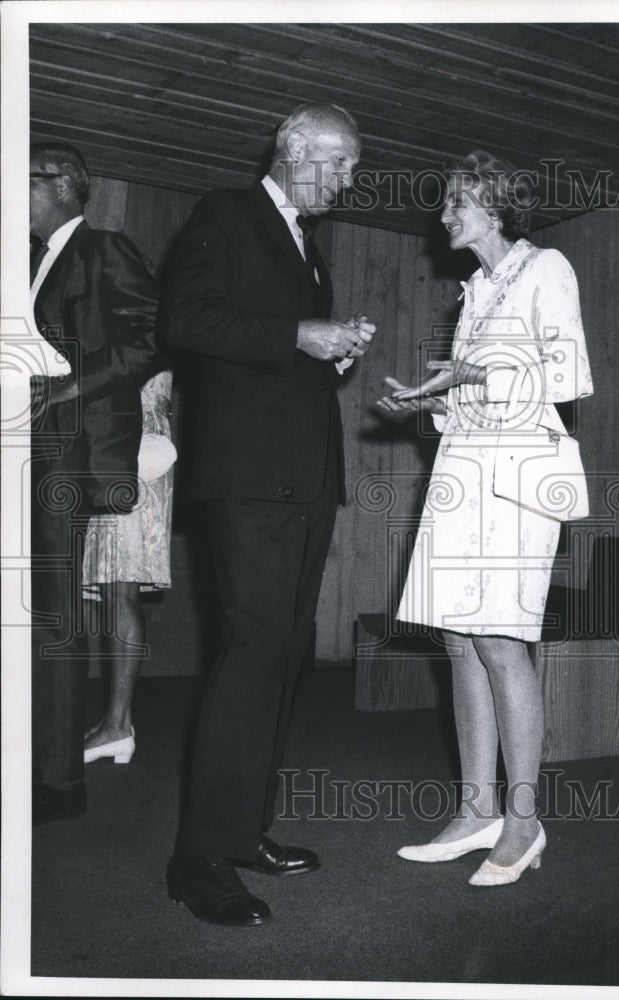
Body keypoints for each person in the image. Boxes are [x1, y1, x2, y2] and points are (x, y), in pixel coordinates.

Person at [162, 103, 375, 927]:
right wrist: (299, 334)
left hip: (304, 482)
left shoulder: (307, 248)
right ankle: (198, 860)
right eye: (343, 163)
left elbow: (279, 351)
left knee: (285, 658)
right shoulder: (227, 213)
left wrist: (327, 348)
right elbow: (183, 320)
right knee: (252, 653)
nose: (351, 180)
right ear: (294, 151)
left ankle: (243, 830)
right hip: (248, 480)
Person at [378, 150, 593, 886]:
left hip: (521, 480)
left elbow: (565, 379)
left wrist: (475, 372)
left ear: (496, 205)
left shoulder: (546, 269)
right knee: (456, 636)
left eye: (457, 204)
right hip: (464, 474)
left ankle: (526, 823)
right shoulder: (474, 291)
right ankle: (478, 810)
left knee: (501, 641)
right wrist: (434, 402)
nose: (445, 217)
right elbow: (485, 396)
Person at [29, 141, 162, 824]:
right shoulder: (27, 263)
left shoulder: (103, 249)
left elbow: (149, 339)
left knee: (51, 612)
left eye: (22, 183)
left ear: (61, 186)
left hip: (64, 447)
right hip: (22, 446)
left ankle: (55, 783)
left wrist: (66, 390)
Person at [82, 369, 175, 764]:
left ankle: (117, 727)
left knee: (120, 587)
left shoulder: (141, 308)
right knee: (117, 586)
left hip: (131, 442)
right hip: (126, 436)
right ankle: (117, 722)